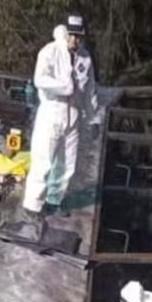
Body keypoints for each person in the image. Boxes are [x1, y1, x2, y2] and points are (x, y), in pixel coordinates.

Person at [24, 14, 97, 216]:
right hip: (52, 112)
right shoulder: (50, 52)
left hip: (73, 115)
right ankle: (32, 205)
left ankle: (54, 201)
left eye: (79, 36)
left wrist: (93, 118)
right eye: (72, 35)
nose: (75, 40)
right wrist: (62, 87)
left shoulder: (85, 58)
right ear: (66, 34)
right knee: (43, 161)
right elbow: (40, 79)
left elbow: (90, 90)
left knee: (67, 163)